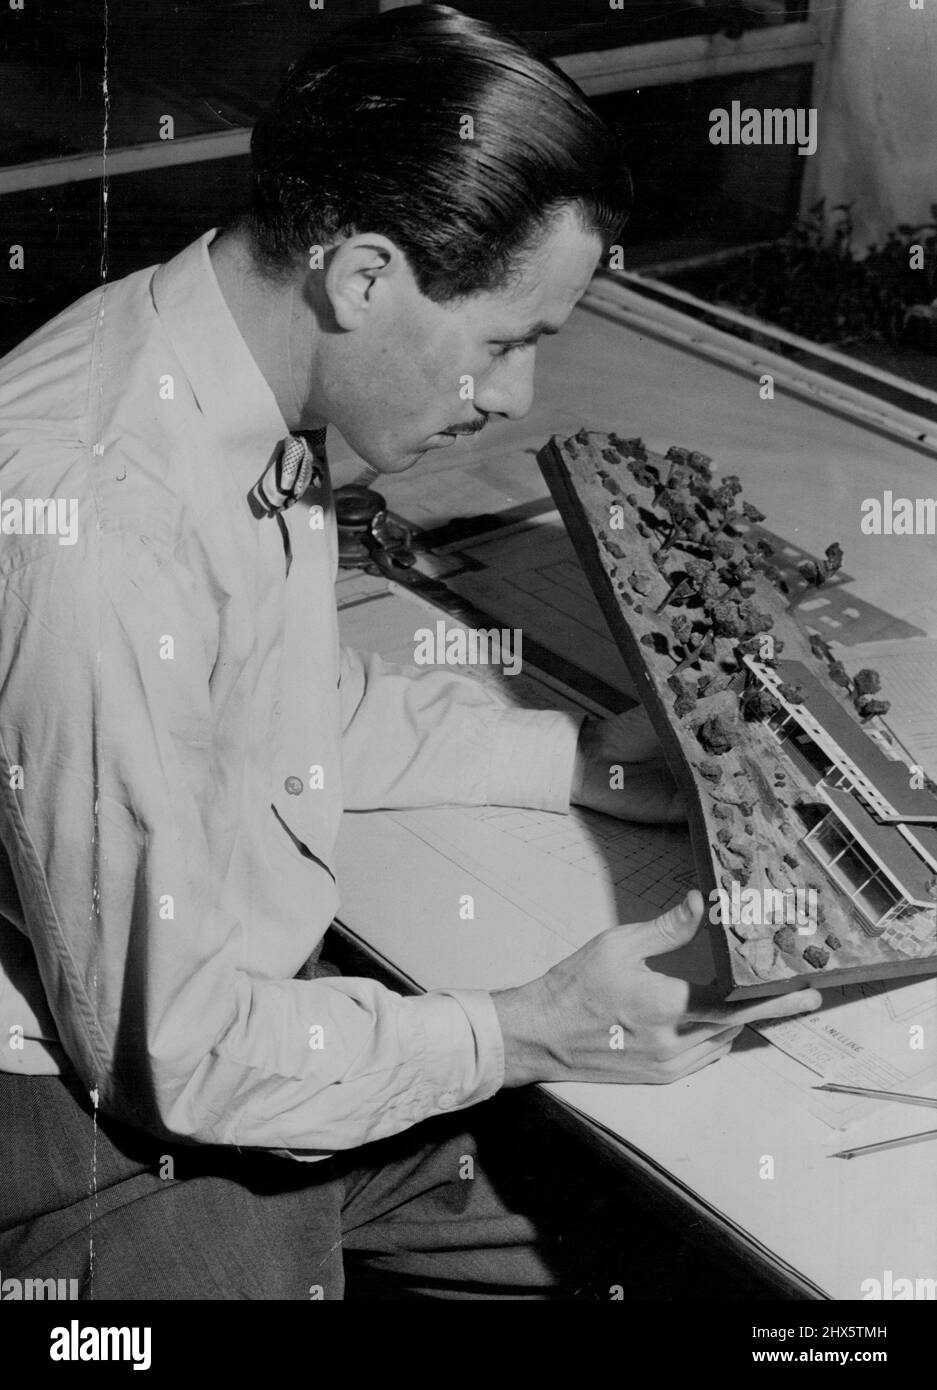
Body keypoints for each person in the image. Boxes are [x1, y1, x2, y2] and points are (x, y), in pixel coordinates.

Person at [0, 3, 820, 1300]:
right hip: (98, 1127)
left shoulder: (229, 358)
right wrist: (526, 1029)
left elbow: (275, 700)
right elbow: (172, 1056)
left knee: (652, 1250)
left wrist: (581, 761)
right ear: (365, 275)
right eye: (504, 342)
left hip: (245, 1000)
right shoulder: (97, 521)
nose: (512, 400)